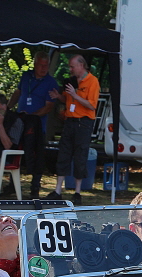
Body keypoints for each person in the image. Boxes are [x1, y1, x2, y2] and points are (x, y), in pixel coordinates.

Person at [45, 55, 100, 205]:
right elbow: (68, 100)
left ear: (81, 65)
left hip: (84, 123)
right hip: (70, 121)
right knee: (64, 153)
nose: (70, 69)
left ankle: (77, 192)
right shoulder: (71, 81)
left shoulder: (92, 81)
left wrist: (75, 95)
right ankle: (58, 190)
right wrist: (59, 96)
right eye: (70, 66)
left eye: (72, 66)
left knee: (80, 154)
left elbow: (92, 105)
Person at [8, 51, 60, 199]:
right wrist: (8, 107)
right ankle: (12, 184)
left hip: (37, 127)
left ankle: (35, 187)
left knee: (37, 156)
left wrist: (31, 118)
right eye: (41, 65)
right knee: (15, 151)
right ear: (35, 64)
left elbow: (49, 106)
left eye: (46, 65)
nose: (44, 68)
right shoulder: (26, 76)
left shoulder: (51, 82)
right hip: (20, 124)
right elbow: (18, 93)